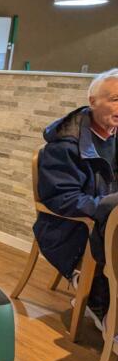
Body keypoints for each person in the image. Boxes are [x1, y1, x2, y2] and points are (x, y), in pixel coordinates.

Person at [34, 68, 118, 329]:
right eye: (115, 99)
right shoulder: (65, 145)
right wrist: (108, 207)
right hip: (70, 228)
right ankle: (102, 305)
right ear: (92, 102)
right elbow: (63, 198)